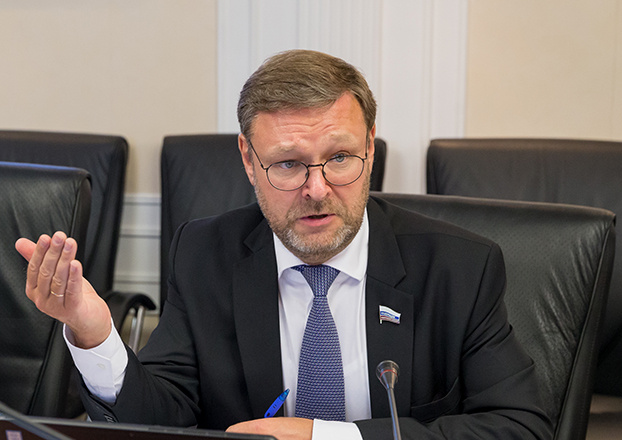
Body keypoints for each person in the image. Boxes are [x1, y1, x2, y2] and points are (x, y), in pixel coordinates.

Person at [15, 49, 551, 440]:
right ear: (249, 160)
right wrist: (95, 335)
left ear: (369, 147)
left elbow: (519, 426)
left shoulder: (460, 268)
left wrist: (330, 437)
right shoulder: (204, 255)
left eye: (339, 157)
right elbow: (160, 420)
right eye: (289, 164)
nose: (317, 189)